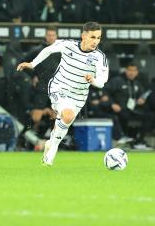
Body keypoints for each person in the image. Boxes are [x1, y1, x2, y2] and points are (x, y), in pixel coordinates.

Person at [17, 22, 109, 166]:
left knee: (66, 119)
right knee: (66, 115)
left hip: (79, 96)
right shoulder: (68, 45)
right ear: (83, 36)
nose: (96, 41)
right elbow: (48, 50)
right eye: (92, 37)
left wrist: (93, 80)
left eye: (98, 38)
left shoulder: (99, 57)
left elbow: (103, 81)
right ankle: (53, 148)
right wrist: (32, 64)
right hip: (59, 87)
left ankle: (51, 143)